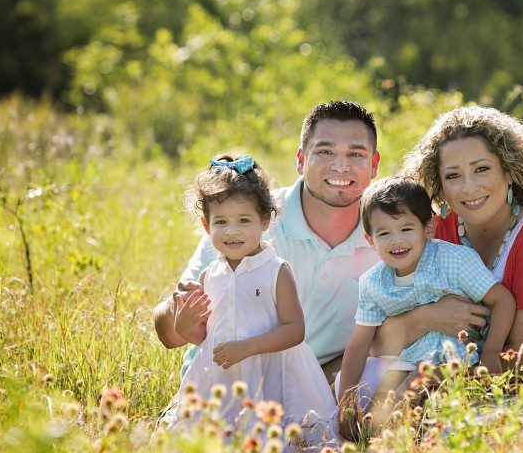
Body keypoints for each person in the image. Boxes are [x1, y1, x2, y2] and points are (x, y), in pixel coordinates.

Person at [155, 101, 478, 422]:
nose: (340, 166)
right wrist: (179, 313)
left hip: (319, 381)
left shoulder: (392, 236)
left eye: (355, 154)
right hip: (231, 383)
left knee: (396, 373)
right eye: (324, 152)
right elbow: (168, 333)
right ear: (300, 159)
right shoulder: (248, 218)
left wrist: (426, 318)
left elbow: (378, 341)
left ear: (375, 164)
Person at [399, 105, 523, 404]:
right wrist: (425, 318)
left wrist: (430, 381)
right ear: (439, 187)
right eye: (453, 176)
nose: (469, 187)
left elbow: (520, 370)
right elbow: (383, 326)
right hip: (454, 386)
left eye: (481, 169)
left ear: (509, 172)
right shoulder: (434, 230)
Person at [167, 153, 337, 453]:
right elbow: (203, 336)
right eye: (221, 222)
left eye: (243, 221)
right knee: (218, 440)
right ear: (206, 225)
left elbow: (295, 331)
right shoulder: (211, 274)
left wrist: (247, 347)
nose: (232, 231)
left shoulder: (275, 270)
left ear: (265, 221)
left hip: (270, 370)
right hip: (224, 375)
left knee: (276, 445)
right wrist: (184, 323)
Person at [334, 177, 516, 437]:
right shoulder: (373, 283)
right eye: (384, 233)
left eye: (406, 229)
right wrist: (346, 405)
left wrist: (492, 353)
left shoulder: (454, 261)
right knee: (373, 423)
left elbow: (503, 301)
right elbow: (358, 345)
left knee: (410, 409)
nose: (396, 240)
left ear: (428, 228)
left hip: (458, 363)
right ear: (370, 240)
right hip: (406, 365)